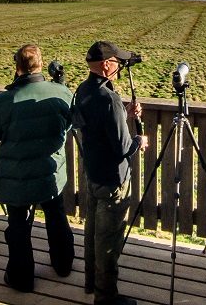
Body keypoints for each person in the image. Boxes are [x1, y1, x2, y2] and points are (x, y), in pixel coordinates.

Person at [0, 44, 75, 292]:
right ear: (41, 64)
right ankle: (63, 265)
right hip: (50, 173)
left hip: (16, 177)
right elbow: (68, 124)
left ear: (17, 67)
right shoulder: (61, 92)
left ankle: (22, 279)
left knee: (19, 227)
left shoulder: (3, 101)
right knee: (56, 216)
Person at [75, 41, 148, 305]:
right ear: (107, 65)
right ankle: (106, 298)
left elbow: (94, 127)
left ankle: (90, 282)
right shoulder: (109, 98)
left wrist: (123, 114)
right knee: (108, 240)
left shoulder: (83, 91)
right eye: (116, 63)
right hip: (113, 180)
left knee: (92, 231)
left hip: (93, 173)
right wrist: (140, 140)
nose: (118, 68)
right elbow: (122, 148)